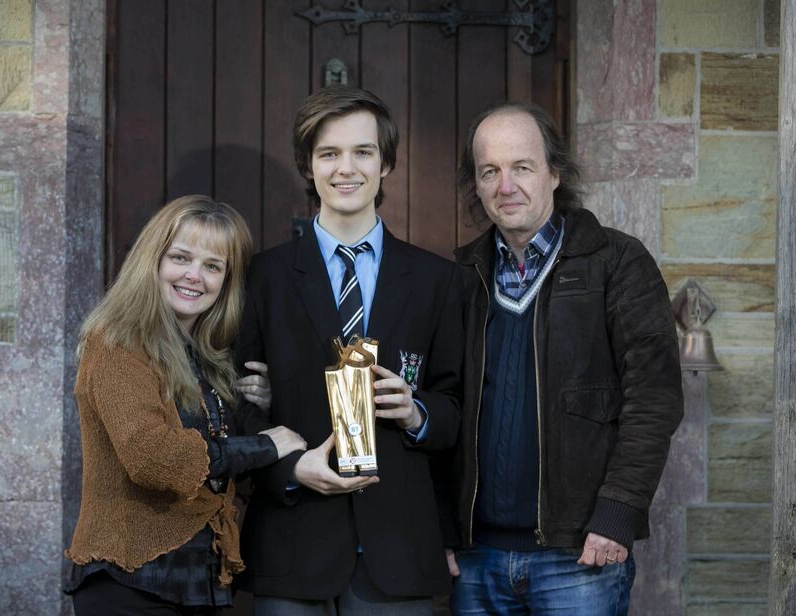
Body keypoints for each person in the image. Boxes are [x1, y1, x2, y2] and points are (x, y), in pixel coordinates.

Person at [232, 86, 464, 615]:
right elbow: (238, 404)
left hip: (398, 548)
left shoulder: (437, 281)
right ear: (308, 165)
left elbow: (457, 410)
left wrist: (416, 411)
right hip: (292, 543)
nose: (346, 168)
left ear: (386, 164)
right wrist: (288, 469)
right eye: (328, 153)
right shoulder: (262, 277)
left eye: (363, 152)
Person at [446, 102, 684, 615]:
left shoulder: (616, 263)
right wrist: (443, 528)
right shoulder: (461, 275)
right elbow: (441, 404)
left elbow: (654, 399)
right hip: (477, 559)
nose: (505, 185)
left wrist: (617, 513)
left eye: (522, 167)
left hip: (578, 556)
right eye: (490, 171)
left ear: (555, 172)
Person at [64, 195, 306, 615]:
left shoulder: (211, 358)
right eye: (181, 257)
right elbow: (151, 457)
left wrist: (258, 410)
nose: (195, 276)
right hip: (129, 583)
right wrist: (266, 445)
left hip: (202, 583)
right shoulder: (117, 341)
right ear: (152, 261)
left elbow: (223, 472)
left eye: (213, 266)